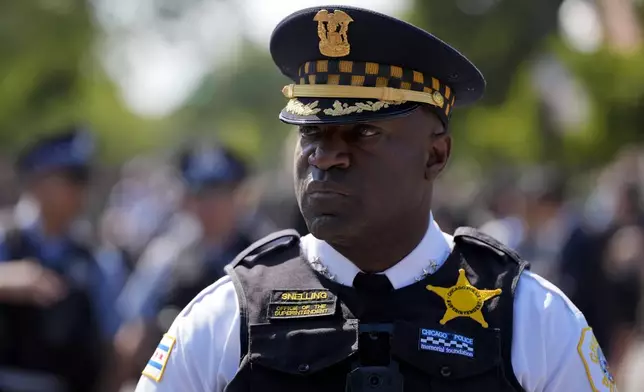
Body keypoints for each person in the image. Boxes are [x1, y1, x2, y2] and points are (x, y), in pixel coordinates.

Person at [135, 6, 617, 392]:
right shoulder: (226, 317)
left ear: (435, 153)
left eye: (361, 132)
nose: (325, 157)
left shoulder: (531, 321)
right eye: (311, 132)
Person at [115, 143, 263, 387]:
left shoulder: (263, 251)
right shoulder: (167, 255)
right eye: (200, 194)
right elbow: (132, 331)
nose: (209, 205)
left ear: (238, 196)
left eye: (219, 193)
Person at [0, 127, 112, 392]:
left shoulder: (95, 256)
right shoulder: (6, 239)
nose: (82, 190)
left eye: (84, 179)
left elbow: (116, 340)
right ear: (38, 182)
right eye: (73, 179)